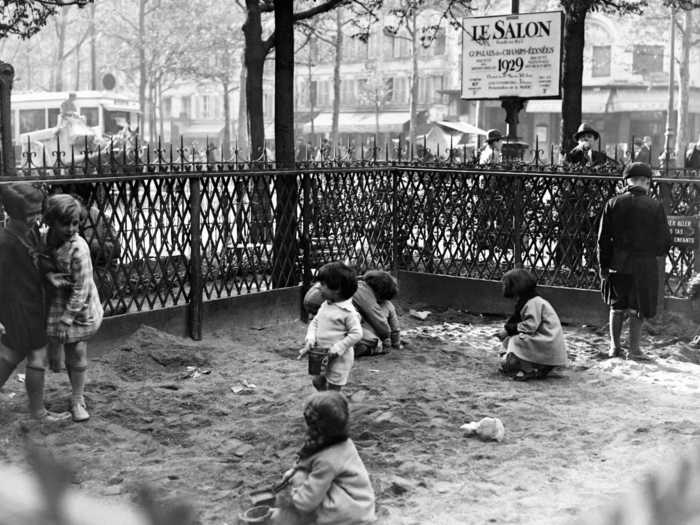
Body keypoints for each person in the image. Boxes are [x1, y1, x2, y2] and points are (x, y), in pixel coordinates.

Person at [0, 183, 71, 421]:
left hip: (32, 302)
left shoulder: (27, 232)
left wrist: (48, 275)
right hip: (20, 308)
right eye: (30, 214)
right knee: (37, 358)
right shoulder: (5, 242)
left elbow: (35, 262)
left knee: (11, 354)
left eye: (38, 211)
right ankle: (38, 412)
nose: (37, 218)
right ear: (12, 213)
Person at [597, 162, 671, 360]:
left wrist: (603, 265)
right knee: (637, 306)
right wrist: (653, 252)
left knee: (617, 305)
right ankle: (635, 350)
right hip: (644, 264)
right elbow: (664, 240)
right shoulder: (655, 206)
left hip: (618, 263)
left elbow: (603, 239)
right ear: (647, 183)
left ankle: (614, 348)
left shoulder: (613, 203)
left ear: (625, 182)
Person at [43, 194, 104, 422]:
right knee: (64, 347)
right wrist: (49, 272)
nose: (71, 229)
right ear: (51, 222)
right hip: (58, 299)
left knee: (77, 351)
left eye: (75, 223)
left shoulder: (79, 249)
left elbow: (82, 288)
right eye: (65, 224)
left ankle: (78, 399)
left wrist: (67, 319)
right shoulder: (48, 238)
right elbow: (39, 257)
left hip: (79, 306)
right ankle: (56, 353)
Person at [274, 391, 376, 525]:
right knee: (299, 475)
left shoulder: (327, 460)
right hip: (360, 502)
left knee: (300, 480)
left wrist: (289, 499)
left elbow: (306, 502)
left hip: (350, 513)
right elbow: (306, 460)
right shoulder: (337, 440)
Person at [494, 268, 568, 381]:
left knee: (515, 341)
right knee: (510, 340)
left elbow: (530, 326)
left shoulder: (533, 303)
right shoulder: (529, 300)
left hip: (548, 341)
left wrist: (509, 330)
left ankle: (528, 370)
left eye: (505, 284)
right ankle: (524, 365)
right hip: (546, 339)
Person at [304, 270, 398, 357]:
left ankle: (325, 341)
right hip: (323, 301)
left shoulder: (356, 284)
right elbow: (378, 320)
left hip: (312, 300)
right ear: (380, 292)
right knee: (368, 335)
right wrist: (387, 337)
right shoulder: (364, 292)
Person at [299, 262, 362, 391]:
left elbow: (357, 334)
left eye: (322, 284)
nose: (318, 288)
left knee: (334, 388)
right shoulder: (325, 305)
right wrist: (310, 340)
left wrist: (339, 348)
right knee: (317, 381)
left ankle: (331, 405)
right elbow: (315, 322)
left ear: (337, 289)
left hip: (339, 358)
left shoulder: (348, 312)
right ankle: (325, 399)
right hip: (321, 353)